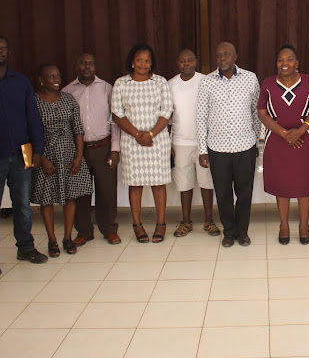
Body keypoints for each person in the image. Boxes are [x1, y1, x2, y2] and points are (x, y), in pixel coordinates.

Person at [0, 37, 47, 277]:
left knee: (23, 206)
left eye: (3, 48)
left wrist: (38, 149)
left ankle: (25, 248)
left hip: (21, 152)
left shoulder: (21, 81)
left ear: (9, 52)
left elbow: (32, 117)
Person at [258, 44, 309, 245]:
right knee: (281, 185)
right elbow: (262, 112)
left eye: (288, 59)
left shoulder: (308, 81)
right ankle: (284, 225)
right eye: (280, 60)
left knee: (304, 184)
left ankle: (304, 226)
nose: (284, 63)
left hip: (305, 139)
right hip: (277, 140)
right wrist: (283, 133)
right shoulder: (268, 84)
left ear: (297, 63)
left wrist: (301, 130)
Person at [196, 42, 261, 247]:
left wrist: (255, 141)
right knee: (223, 194)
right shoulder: (207, 82)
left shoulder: (250, 78)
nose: (222, 58)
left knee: (244, 193)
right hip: (217, 149)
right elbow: (201, 117)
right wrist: (202, 149)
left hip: (245, 147)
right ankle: (229, 232)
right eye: (218, 55)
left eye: (226, 54)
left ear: (236, 56)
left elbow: (256, 113)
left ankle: (242, 232)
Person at [112, 44, 173, 244]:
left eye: (147, 60)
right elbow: (117, 113)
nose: (143, 64)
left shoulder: (160, 82)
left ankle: (161, 224)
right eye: (139, 60)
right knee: (135, 184)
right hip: (132, 142)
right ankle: (137, 225)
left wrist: (151, 134)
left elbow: (167, 111)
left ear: (151, 63)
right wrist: (139, 134)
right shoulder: (121, 83)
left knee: (158, 183)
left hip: (157, 141)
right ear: (132, 61)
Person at [32, 64, 93, 256]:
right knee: (47, 199)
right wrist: (42, 158)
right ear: (41, 80)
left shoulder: (68, 99)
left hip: (69, 154)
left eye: (58, 76)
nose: (56, 80)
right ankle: (52, 240)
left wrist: (79, 156)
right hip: (46, 156)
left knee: (70, 196)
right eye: (51, 77)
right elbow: (30, 132)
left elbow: (78, 129)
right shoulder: (33, 102)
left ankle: (67, 237)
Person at [62, 53, 122, 246]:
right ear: (76, 66)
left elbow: (115, 121)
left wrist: (115, 148)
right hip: (78, 151)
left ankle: (109, 229)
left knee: (107, 192)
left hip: (103, 147)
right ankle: (84, 231)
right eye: (83, 63)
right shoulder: (67, 91)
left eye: (90, 64)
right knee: (81, 193)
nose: (87, 67)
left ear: (96, 67)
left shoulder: (107, 89)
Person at [168, 49, 220, 237]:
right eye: (182, 61)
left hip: (203, 142)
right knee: (184, 183)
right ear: (177, 63)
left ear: (196, 61)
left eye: (190, 60)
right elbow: (166, 115)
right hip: (180, 142)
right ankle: (186, 221)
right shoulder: (170, 84)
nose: (186, 64)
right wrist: (169, 144)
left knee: (207, 182)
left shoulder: (205, 81)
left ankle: (209, 220)